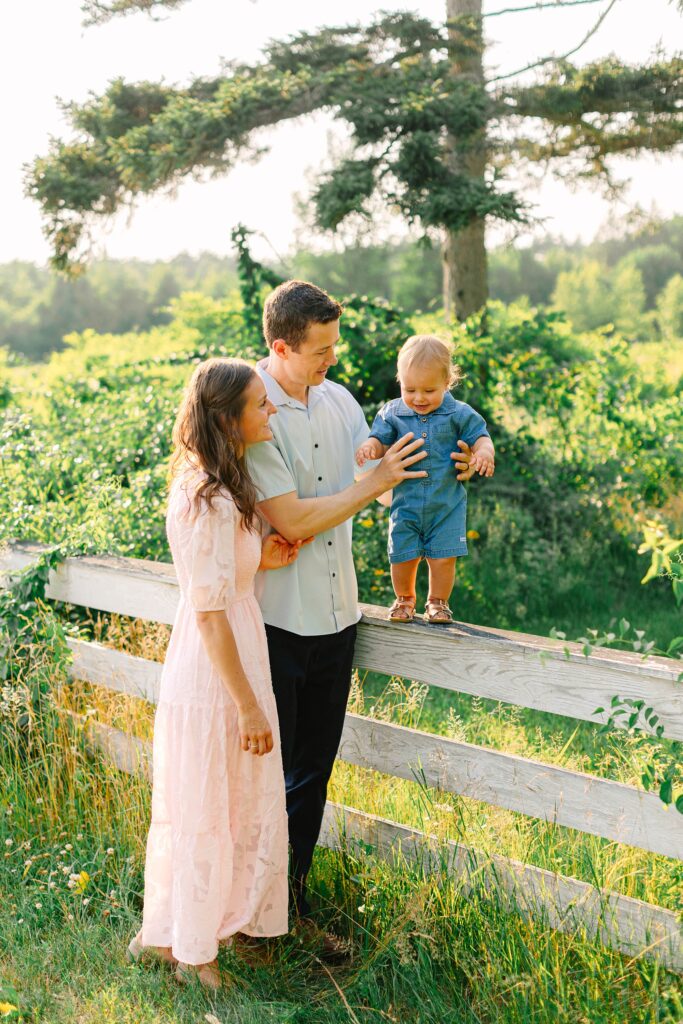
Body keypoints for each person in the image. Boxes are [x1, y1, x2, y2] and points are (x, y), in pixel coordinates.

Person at [244, 282, 477, 944]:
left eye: (334, 346)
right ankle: (246, 917)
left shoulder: (343, 401)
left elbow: (377, 493)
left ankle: (287, 911)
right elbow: (289, 516)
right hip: (272, 619)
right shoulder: (252, 406)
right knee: (264, 778)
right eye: (320, 350)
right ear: (279, 346)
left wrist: (438, 472)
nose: (332, 361)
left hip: (337, 615)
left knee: (311, 772)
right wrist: (366, 487)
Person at [128, 357, 307, 989]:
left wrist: (264, 558)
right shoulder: (206, 493)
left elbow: (223, 579)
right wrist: (250, 708)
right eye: (260, 404)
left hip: (238, 648)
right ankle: (192, 956)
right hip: (215, 667)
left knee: (231, 797)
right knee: (206, 800)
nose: (271, 411)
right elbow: (207, 612)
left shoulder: (224, 485)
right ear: (227, 417)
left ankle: (190, 928)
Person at [356, 334, 495, 624]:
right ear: (400, 381)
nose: (419, 398)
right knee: (402, 555)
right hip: (405, 504)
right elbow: (379, 439)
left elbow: (480, 437)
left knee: (444, 558)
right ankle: (404, 599)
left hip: (446, 505)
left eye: (429, 390)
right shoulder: (392, 413)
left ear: (447, 382)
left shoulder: (458, 413)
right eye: (410, 389)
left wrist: (484, 453)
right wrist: (372, 447)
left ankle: (438, 602)